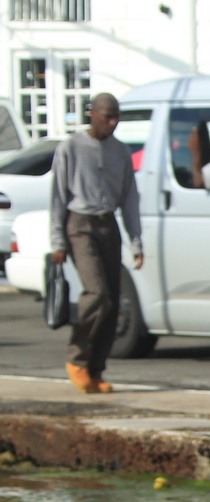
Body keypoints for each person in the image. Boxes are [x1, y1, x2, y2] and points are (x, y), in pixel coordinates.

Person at [49, 93, 142, 395]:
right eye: (107, 116)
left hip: (108, 223)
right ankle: (77, 358)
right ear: (93, 114)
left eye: (116, 117)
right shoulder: (71, 148)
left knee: (112, 300)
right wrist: (58, 241)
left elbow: (129, 197)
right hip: (80, 223)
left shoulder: (120, 151)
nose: (113, 123)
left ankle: (96, 368)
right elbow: (58, 197)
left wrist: (136, 241)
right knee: (97, 292)